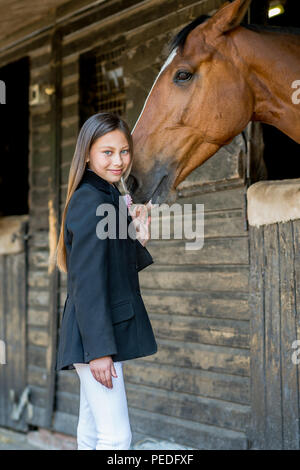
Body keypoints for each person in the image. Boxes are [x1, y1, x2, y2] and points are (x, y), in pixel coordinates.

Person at [54, 112, 158, 450]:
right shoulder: (90, 199)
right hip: (96, 339)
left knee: (92, 429)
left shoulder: (108, 196)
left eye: (124, 151)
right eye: (107, 152)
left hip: (101, 334)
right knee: (116, 437)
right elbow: (86, 281)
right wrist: (99, 351)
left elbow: (112, 267)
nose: (119, 161)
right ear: (87, 154)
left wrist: (137, 238)